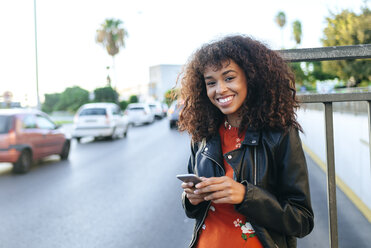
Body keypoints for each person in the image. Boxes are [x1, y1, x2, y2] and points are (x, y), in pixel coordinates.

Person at [178, 35, 314, 248]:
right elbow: (192, 210)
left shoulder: (280, 134)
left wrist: (245, 196)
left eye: (229, 78)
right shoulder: (202, 136)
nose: (220, 89)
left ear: (251, 77)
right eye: (211, 82)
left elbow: (302, 220)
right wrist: (191, 199)